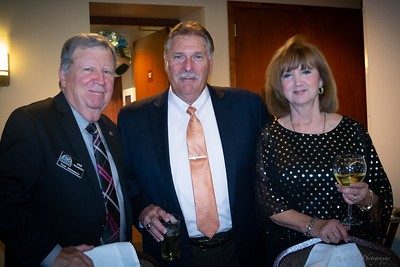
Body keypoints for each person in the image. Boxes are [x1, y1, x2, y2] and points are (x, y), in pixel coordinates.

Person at [118, 21, 271, 267]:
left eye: (197, 56)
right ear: (166, 60)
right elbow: (127, 182)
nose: (188, 67)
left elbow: (273, 170)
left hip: (244, 250)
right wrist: (143, 210)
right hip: (173, 255)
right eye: (179, 56)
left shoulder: (247, 107)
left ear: (210, 60)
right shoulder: (133, 119)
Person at [255, 35, 393, 265]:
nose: (297, 81)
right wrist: (314, 226)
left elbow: (381, 194)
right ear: (280, 87)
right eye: (288, 74)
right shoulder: (269, 135)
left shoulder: (353, 130)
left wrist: (364, 198)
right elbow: (266, 201)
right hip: (293, 252)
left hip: (351, 249)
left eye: (306, 71)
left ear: (321, 81)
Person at [0, 33, 132, 266]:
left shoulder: (111, 130)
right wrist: (53, 255)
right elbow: (5, 205)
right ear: (63, 76)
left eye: (108, 72)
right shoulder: (30, 122)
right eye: (89, 70)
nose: (101, 80)